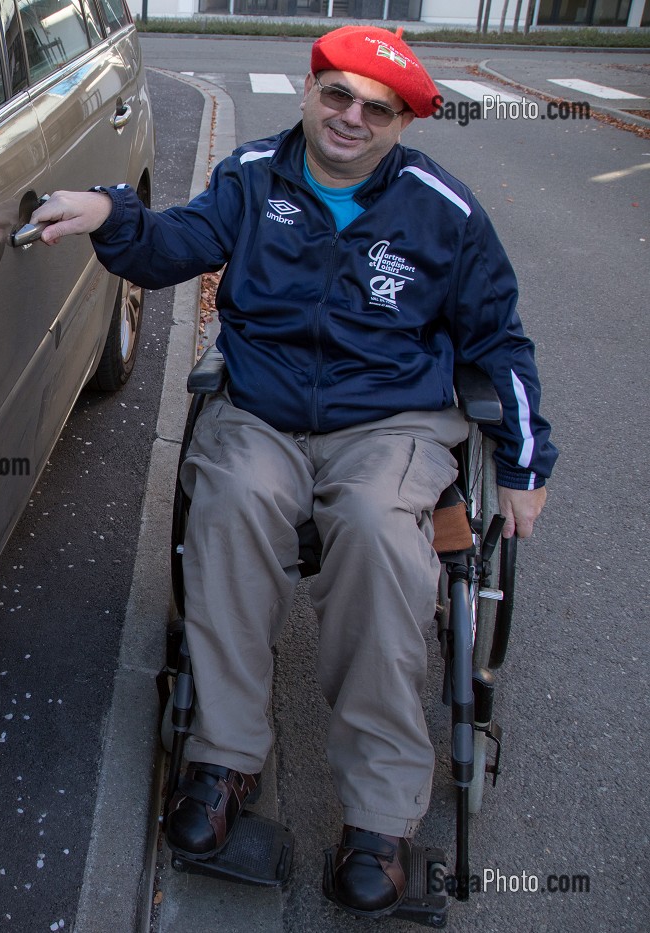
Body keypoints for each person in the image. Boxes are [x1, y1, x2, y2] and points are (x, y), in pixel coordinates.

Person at [30, 25, 556, 918]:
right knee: (229, 503)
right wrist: (115, 215)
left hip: (389, 419)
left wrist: (525, 459)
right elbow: (175, 244)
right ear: (309, 92)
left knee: (381, 542)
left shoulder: (444, 210)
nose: (350, 117)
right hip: (264, 408)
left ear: (400, 122)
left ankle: (381, 816)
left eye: (374, 108)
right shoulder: (252, 176)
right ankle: (225, 757)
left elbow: (499, 339)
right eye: (336, 94)